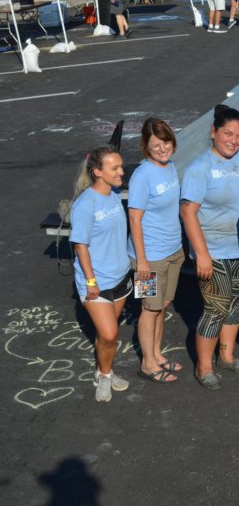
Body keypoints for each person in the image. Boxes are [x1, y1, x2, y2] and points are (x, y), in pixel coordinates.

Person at [181, 105, 239, 390]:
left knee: (233, 306)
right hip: (212, 250)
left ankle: (227, 356)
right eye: (228, 133)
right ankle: (204, 366)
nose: (233, 140)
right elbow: (188, 213)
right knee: (215, 308)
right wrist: (201, 254)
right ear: (213, 132)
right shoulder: (200, 168)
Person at [70, 146, 133, 402]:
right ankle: (104, 378)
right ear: (97, 172)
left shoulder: (114, 193)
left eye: (120, 166)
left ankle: (102, 370)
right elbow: (80, 246)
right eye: (114, 168)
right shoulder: (85, 204)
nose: (121, 172)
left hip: (121, 277)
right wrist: (90, 281)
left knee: (106, 334)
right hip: (96, 282)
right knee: (109, 334)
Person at [128, 118, 184, 384]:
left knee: (162, 305)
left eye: (165, 142)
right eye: (155, 145)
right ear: (146, 147)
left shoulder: (170, 166)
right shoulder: (142, 176)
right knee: (148, 309)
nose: (162, 148)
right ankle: (147, 364)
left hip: (173, 251)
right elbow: (134, 219)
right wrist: (141, 261)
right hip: (148, 258)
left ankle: (157, 354)